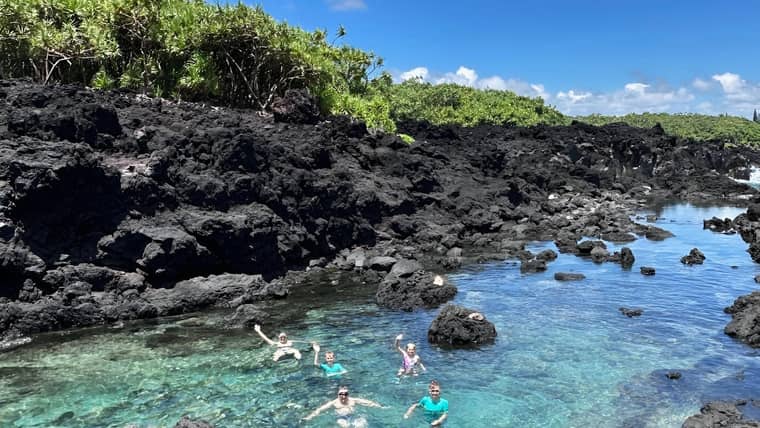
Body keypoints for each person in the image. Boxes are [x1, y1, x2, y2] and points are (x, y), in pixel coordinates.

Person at [303, 385, 382, 427]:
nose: (343, 396)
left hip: (354, 415)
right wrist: (310, 417)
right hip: (341, 418)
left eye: (345, 394)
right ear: (338, 394)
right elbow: (320, 409)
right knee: (345, 426)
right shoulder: (334, 403)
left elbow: (368, 402)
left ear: (348, 394)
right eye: (341, 394)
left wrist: (379, 407)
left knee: (361, 424)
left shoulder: (353, 400)